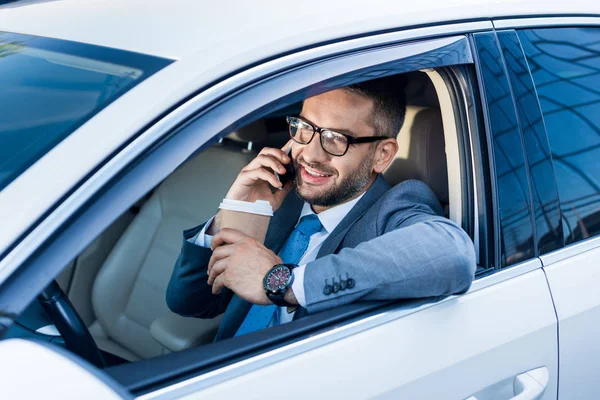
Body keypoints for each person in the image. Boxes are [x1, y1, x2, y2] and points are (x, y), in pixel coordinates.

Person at [166, 75, 476, 341]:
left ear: (382, 155)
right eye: (304, 128)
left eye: (335, 139)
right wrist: (234, 214)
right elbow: (188, 304)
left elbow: (453, 253)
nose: (310, 154)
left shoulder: (393, 209)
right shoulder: (278, 199)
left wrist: (282, 282)